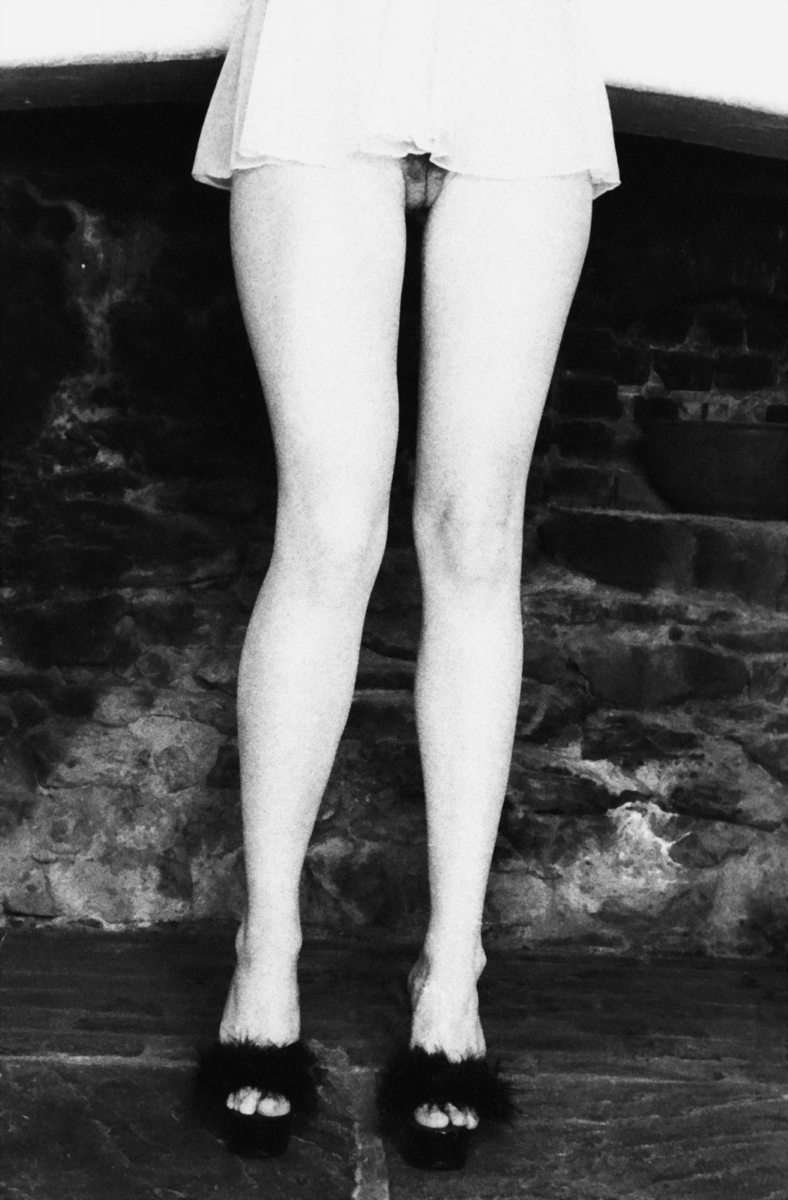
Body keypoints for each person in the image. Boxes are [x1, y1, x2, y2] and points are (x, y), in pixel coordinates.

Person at [192, 0, 619, 1170]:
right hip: (325, 40)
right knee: (328, 527)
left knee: (474, 532)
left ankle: (452, 968)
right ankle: (265, 951)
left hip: (515, 47)